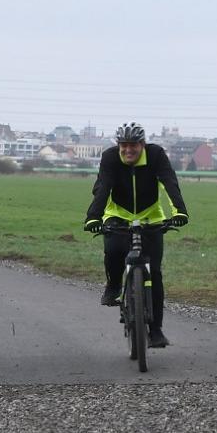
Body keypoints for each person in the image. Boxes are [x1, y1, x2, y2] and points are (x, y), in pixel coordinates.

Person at [84, 122, 189, 348]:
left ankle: (156, 331)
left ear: (142, 144)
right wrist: (93, 217)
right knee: (113, 251)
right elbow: (103, 187)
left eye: (133, 145)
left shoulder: (156, 155)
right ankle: (113, 285)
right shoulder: (110, 158)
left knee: (156, 274)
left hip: (150, 215)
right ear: (118, 145)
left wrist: (179, 211)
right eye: (124, 145)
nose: (128, 150)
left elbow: (169, 183)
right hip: (117, 213)